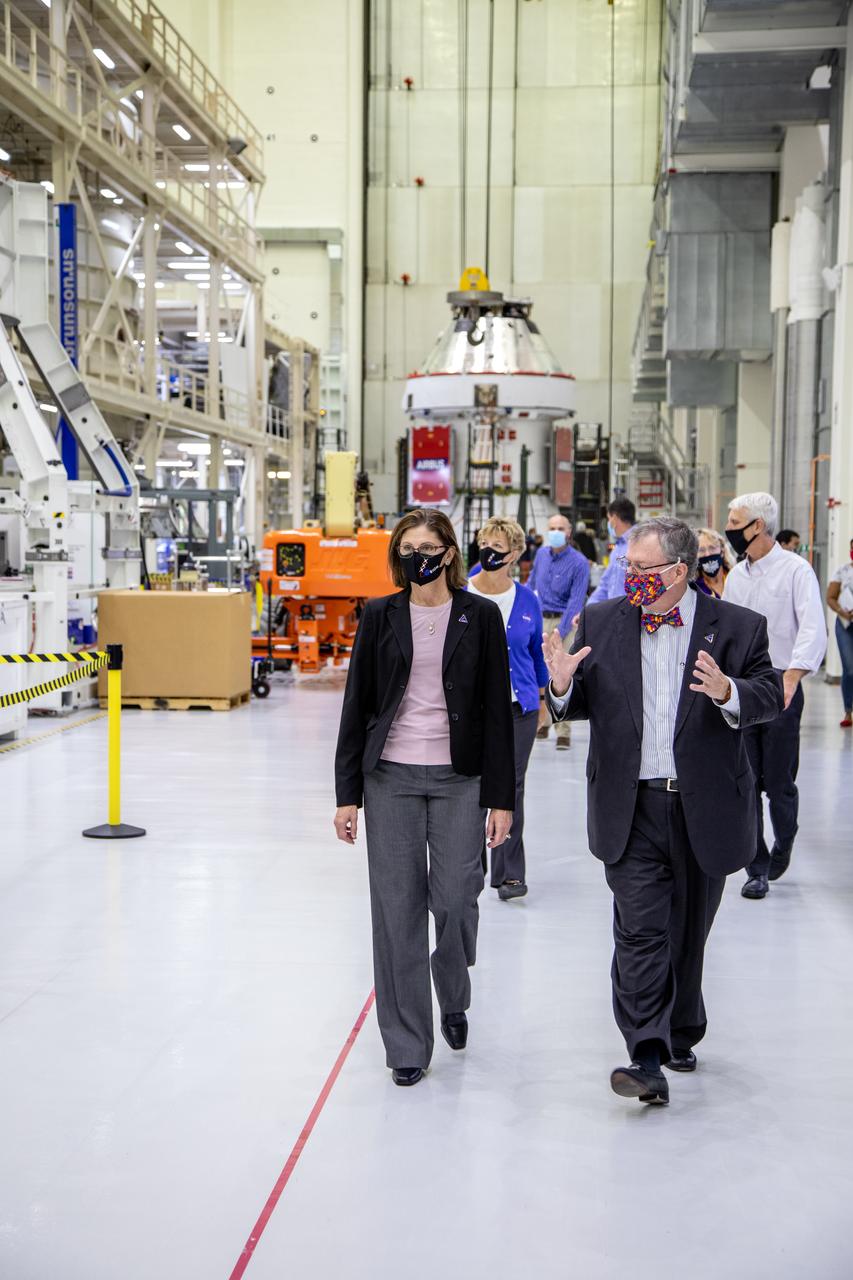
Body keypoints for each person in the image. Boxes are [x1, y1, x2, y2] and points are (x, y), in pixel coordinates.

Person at [545, 517, 783, 1106]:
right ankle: (644, 1055)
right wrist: (560, 688)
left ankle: (681, 1027)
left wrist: (729, 692)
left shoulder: (737, 627)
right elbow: (579, 704)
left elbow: (769, 696)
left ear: (680, 571)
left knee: (687, 933)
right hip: (630, 805)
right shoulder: (602, 623)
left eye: (644, 570)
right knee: (640, 931)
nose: (633, 579)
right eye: (629, 568)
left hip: (705, 803)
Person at [333, 508, 515, 1088]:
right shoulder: (379, 615)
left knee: (457, 898)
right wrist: (347, 795)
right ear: (398, 556)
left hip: (460, 778)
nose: (419, 556)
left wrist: (503, 798)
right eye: (407, 547)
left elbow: (495, 712)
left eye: (428, 545)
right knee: (396, 913)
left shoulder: (480, 616)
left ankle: (453, 993)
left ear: (449, 551)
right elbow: (356, 705)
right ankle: (408, 1044)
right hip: (391, 778)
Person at [723, 493, 827, 900]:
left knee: (779, 782)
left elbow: (812, 627)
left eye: (735, 522)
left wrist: (792, 677)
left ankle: (785, 838)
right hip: (744, 686)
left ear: (757, 527)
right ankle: (757, 866)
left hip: (782, 682)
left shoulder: (796, 571)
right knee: (746, 779)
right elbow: (729, 631)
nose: (730, 529)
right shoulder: (736, 577)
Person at [468, 516, 549, 900]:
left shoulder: (527, 599)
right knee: (470, 785)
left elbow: (535, 656)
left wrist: (545, 699)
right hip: (471, 709)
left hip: (519, 708)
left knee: (511, 787)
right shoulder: (460, 591)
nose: (489, 552)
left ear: (515, 555)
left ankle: (509, 872)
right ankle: (470, 864)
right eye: (484, 543)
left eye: (498, 547)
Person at [528, 512, 590, 748]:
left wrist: (560, 632)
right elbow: (531, 584)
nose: (555, 532)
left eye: (560, 528)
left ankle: (563, 729)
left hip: (565, 622)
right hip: (540, 619)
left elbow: (576, 601)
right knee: (540, 673)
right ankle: (543, 723)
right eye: (551, 527)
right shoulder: (541, 555)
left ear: (569, 532)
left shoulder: (579, 563)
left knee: (564, 675)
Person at [580, 497, 636, 619]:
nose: (609, 523)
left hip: (632, 618)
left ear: (614, 519)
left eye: (609, 518)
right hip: (614, 616)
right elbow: (605, 585)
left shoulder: (640, 543)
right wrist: (587, 611)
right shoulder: (617, 549)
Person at [826, 536, 853, 728]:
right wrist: (843, 612)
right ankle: (848, 711)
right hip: (845, 624)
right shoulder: (842, 571)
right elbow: (831, 597)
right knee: (849, 668)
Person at [695, 527, 735, 598]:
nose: (707, 554)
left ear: (722, 551)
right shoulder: (695, 589)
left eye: (712, 548)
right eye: (701, 550)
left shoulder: (736, 578)